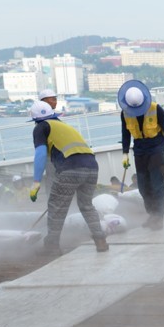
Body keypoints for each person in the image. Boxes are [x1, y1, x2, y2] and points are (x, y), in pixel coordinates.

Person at [28, 101, 107, 254]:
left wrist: (36, 181)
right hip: (92, 167)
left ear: (35, 119)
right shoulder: (64, 125)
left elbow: (40, 154)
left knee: (56, 207)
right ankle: (101, 240)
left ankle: (52, 245)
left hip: (70, 169)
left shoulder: (41, 127)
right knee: (86, 205)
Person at [118, 80, 164, 230]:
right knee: (143, 186)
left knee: (156, 183)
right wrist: (125, 153)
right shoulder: (125, 112)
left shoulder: (156, 109)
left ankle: (159, 216)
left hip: (156, 147)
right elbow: (125, 133)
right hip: (139, 148)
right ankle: (152, 214)